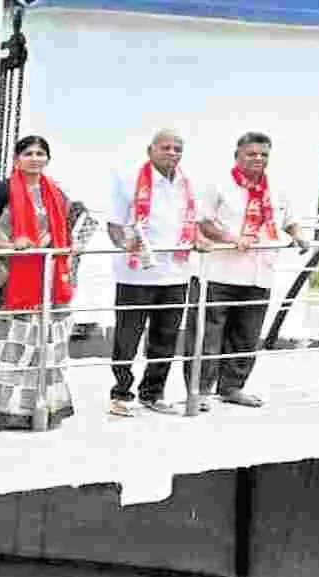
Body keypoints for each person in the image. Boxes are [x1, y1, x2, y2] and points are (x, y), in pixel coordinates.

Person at [185, 131, 308, 409]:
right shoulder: (218, 186)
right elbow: (203, 223)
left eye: (264, 154)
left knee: (247, 337)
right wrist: (232, 238)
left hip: (260, 275)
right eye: (251, 153)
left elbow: (290, 220)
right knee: (207, 338)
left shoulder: (277, 188)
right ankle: (199, 391)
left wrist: (299, 235)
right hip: (218, 274)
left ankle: (232, 388)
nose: (258, 158)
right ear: (237, 155)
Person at [0, 135, 85, 431]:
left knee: (46, 343)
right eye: (28, 153)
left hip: (48, 276)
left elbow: (72, 226)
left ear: (47, 158)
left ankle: (45, 407)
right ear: (17, 158)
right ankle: (0, 411)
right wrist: (13, 245)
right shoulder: (2, 190)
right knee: (8, 342)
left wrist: (63, 245)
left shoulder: (56, 192)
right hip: (8, 275)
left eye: (40, 153)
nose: (35, 158)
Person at [106, 130, 203, 417]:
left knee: (166, 338)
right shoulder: (128, 179)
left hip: (176, 273)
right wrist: (124, 244)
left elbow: (193, 222)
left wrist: (199, 240)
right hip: (135, 274)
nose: (172, 153)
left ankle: (153, 392)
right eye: (165, 147)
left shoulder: (188, 182)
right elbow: (113, 224)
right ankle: (120, 394)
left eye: (177, 149)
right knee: (127, 339)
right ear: (150, 150)